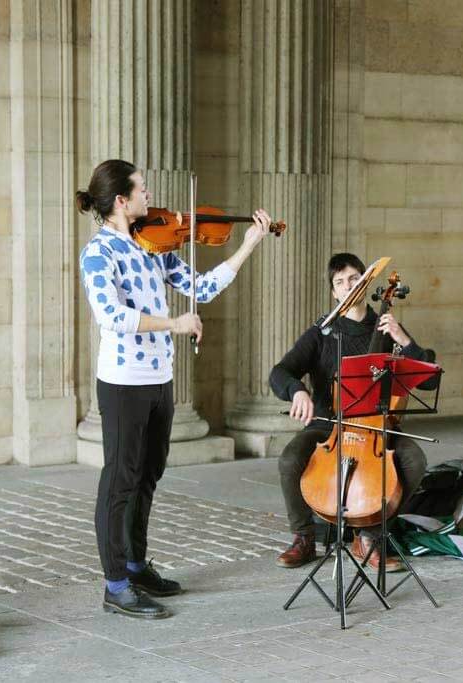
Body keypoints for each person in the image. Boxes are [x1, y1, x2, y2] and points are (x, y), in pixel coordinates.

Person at [77, 159, 272, 618]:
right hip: (123, 383)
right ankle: (115, 585)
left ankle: (136, 565)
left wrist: (248, 244)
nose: (149, 196)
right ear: (121, 200)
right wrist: (173, 324)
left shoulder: (154, 245)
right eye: (141, 189)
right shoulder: (99, 254)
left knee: (148, 475)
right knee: (119, 482)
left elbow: (200, 288)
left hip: (159, 380)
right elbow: (113, 316)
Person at [269, 253, 433, 572]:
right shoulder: (322, 332)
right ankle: (304, 537)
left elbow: (428, 380)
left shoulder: (386, 327)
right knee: (290, 459)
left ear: (366, 282)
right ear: (334, 292)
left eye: (354, 278)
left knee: (414, 460)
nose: (348, 286)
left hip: (377, 428)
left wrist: (403, 339)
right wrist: (297, 390)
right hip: (328, 426)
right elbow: (280, 372)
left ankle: (369, 535)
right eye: (340, 282)